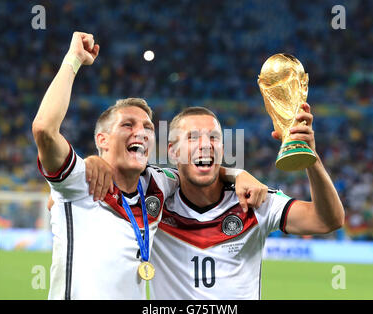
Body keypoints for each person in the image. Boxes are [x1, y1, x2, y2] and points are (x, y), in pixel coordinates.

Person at [36, 32, 266, 300]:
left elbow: (197, 171)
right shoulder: (79, 180)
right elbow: (44, 130)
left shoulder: (159, 183)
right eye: (128, 125)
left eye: (147, 127)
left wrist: (238, 174)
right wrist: (73, 61)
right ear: (102, 140)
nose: (142, 132)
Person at [85, 105, 345, 299]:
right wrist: (93, 164)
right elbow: (84, 191)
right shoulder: (156, 200)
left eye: (213, 137)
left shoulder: (254, 200)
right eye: (193, 138)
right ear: (173, 152)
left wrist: (310, 157)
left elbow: (328, 220)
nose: (205, 145)